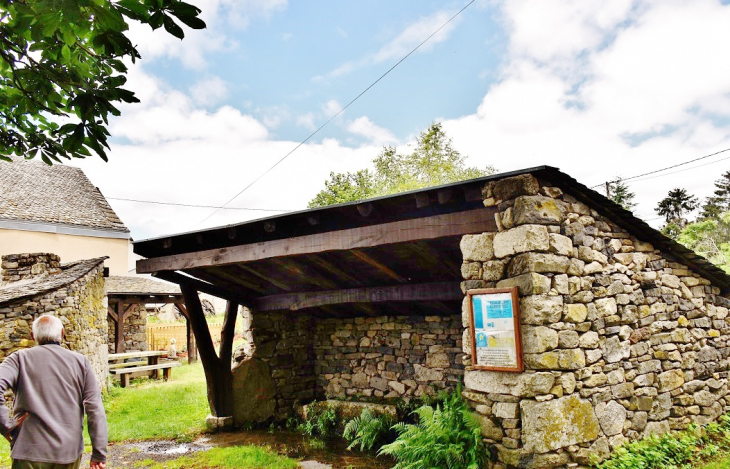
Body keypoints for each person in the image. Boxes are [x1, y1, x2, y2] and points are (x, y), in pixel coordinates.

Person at [0, 315, 108, 469]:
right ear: (62, 333)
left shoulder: (18, 359)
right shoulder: (80, 362)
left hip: (28, 451)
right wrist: (99, 453)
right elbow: (94, 408)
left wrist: (5, 424)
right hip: (67, 452)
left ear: (33, 336)